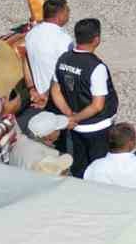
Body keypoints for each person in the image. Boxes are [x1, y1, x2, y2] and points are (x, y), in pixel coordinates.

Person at [51, 17, 118, 177]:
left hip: (75, 127)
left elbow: (55, 90)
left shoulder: (63, 59)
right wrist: (76, 118)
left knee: (80, 163)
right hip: (97, 126)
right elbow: (97, 105)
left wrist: (69, 115)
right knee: (99, 166)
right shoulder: (96, 67)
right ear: (96, 39)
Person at [24, 0, 73, 114]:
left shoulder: (31, 34)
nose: (69, 13)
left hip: (39, 96)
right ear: (59, 15)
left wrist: (31, 89)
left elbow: (25, 61)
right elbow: (67, 71)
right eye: (67, 11)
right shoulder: (64, 40)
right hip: (59, 98)